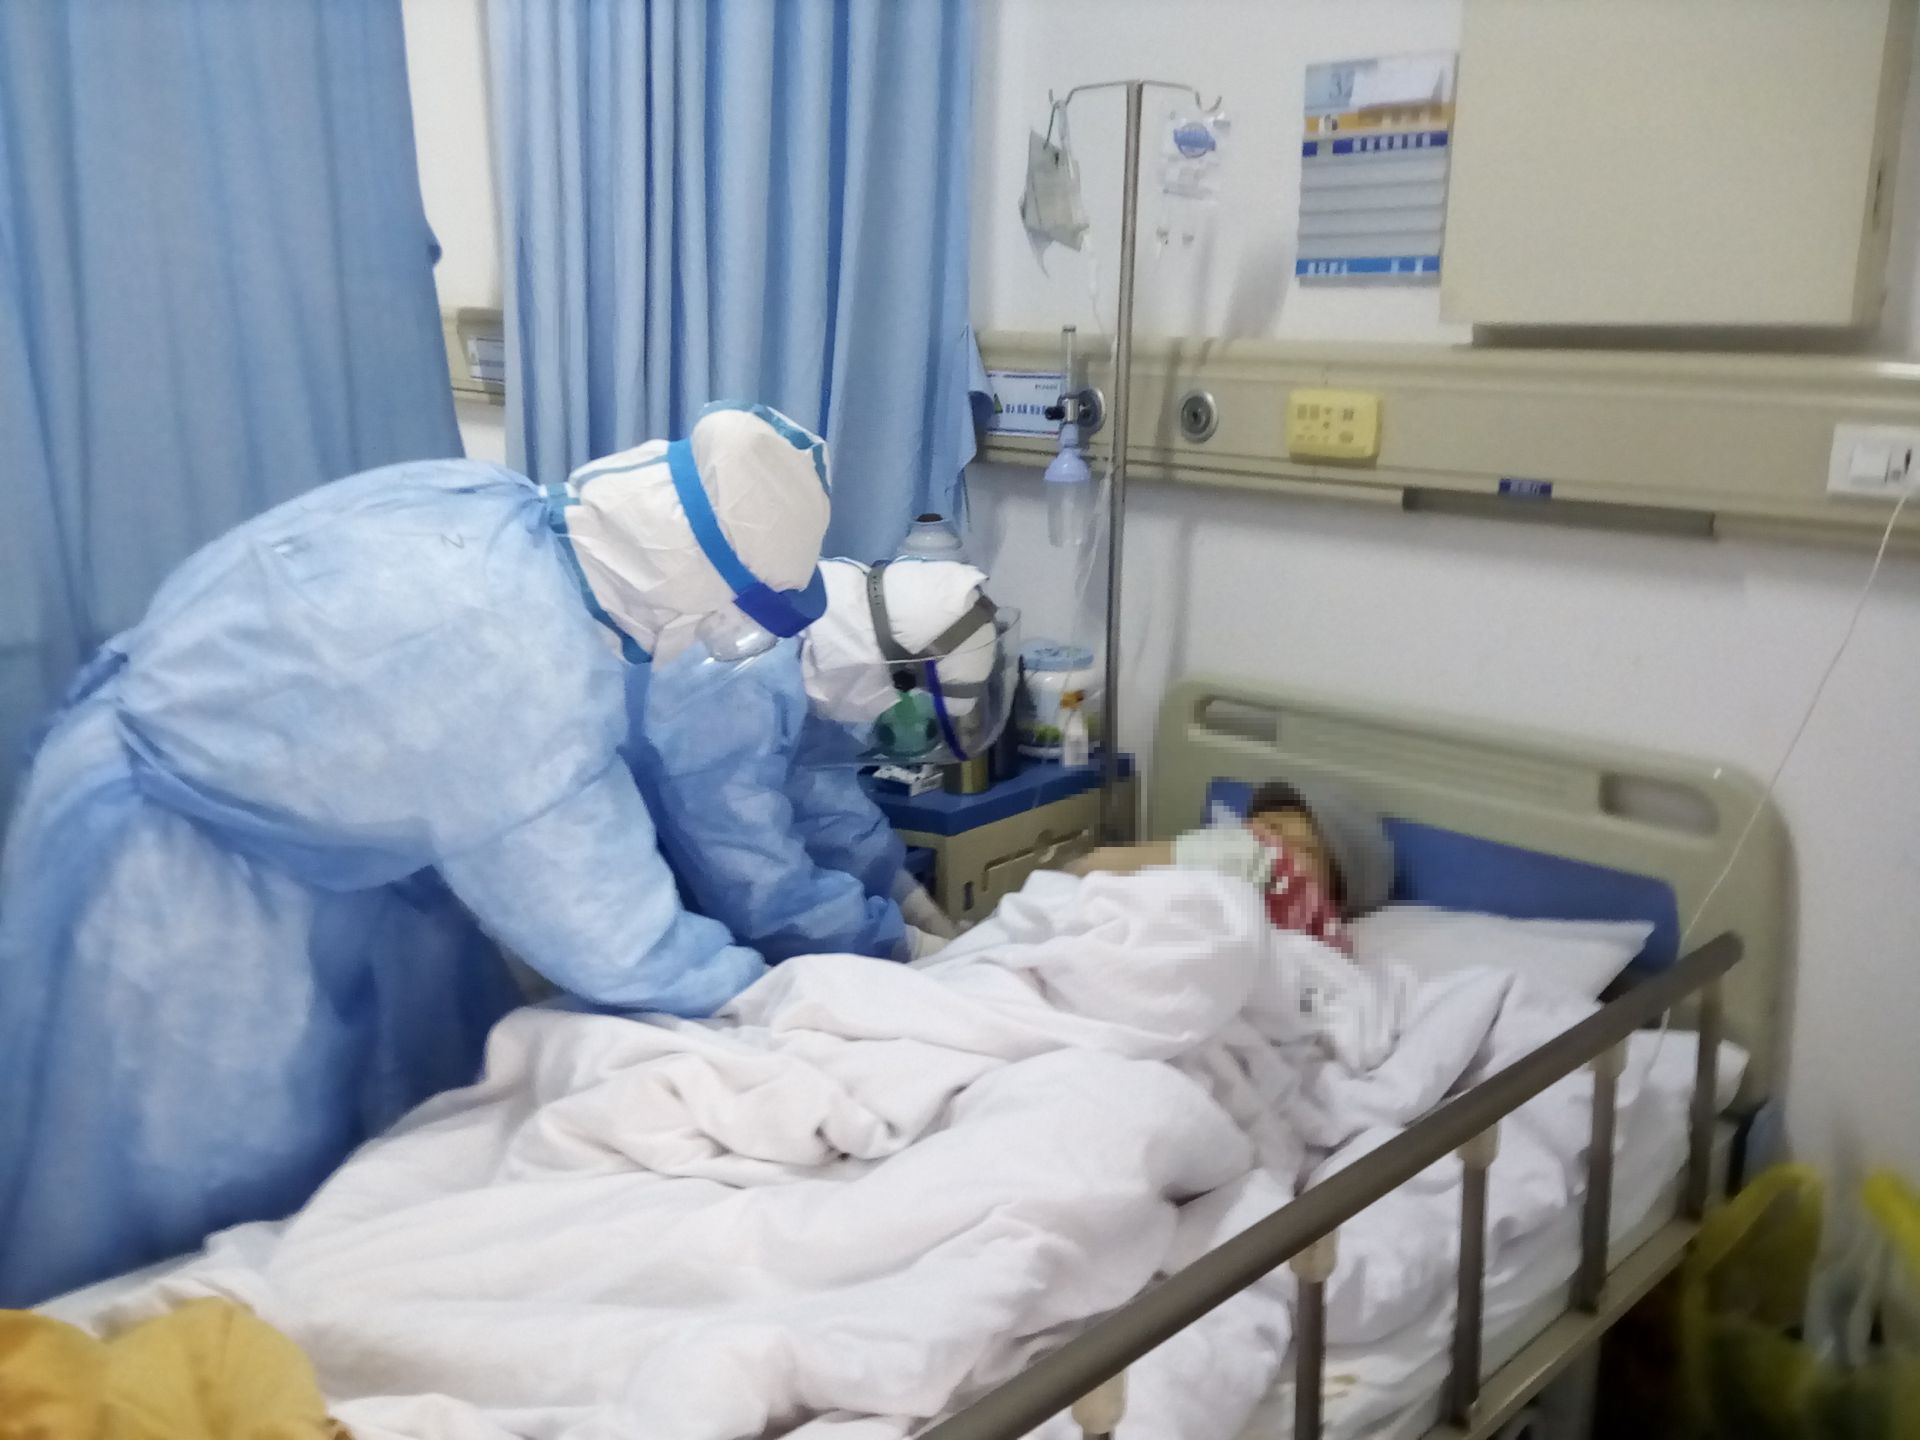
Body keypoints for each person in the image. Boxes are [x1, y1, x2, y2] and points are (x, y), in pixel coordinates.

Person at [0, 401, 832, 1306]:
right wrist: (762, 996)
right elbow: (617, 941)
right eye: (734, 619)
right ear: (691, 584)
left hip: (154, 772)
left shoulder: (478, 499)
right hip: (182, 886)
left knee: (382, 1098)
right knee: (174, 1179)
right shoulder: (527, 677)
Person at [632, 557, 1003, 965]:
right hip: (636, 924)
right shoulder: (739, 674)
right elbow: (756, 881)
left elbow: (825, 811)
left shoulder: (805, 661)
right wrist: (901, 944)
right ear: (899, 675)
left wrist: (906, 896)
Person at [1068, 778, 1394, 951]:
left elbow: (1097, 866)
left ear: (1338, 892)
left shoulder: (1259, 857)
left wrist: (1072, 872)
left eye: (1303, 849)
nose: (1262, 835)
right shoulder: (1332, 945)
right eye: (1260, 824)